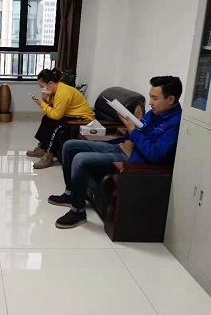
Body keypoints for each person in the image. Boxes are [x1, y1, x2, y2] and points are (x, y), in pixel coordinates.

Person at [48, 75, 183, 229]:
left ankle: (78, 211)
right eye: (150, 97)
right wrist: (129, 125)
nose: (150, 102)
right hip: (121, 146)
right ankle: (70, 193)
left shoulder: (175, 123)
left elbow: (155, 154)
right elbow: (139, 131)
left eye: (155, 98)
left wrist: (133, 131)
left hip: (131, 157)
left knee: (80, 159)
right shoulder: (154, 112)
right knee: (69, 146)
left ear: (170, 99)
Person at [27, 68, 95, 169]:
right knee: (46, 118)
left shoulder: (63, 92)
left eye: (42, 86)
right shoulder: (55, 90)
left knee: (56, 124)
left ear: (50, 83)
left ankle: (48, 156)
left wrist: (42, 104)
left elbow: (57, 115)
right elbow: (53, 106)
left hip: (83, 118)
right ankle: (42, 148)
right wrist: (45, 99)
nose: (42, 89)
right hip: (72, 115)